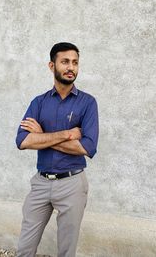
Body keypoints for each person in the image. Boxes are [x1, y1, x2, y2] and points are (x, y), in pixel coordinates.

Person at [15, 42, 99, 257]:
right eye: (65, 62)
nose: (71, 67)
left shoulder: (88, 103)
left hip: (72, 184)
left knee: (66, 250)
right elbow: (23, 141)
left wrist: (41, 136)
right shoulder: (39, 102)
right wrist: (66, 134)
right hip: (41, 183)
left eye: (75, 62)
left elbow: (87, 147)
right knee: (25, 247)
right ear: (52, 66)